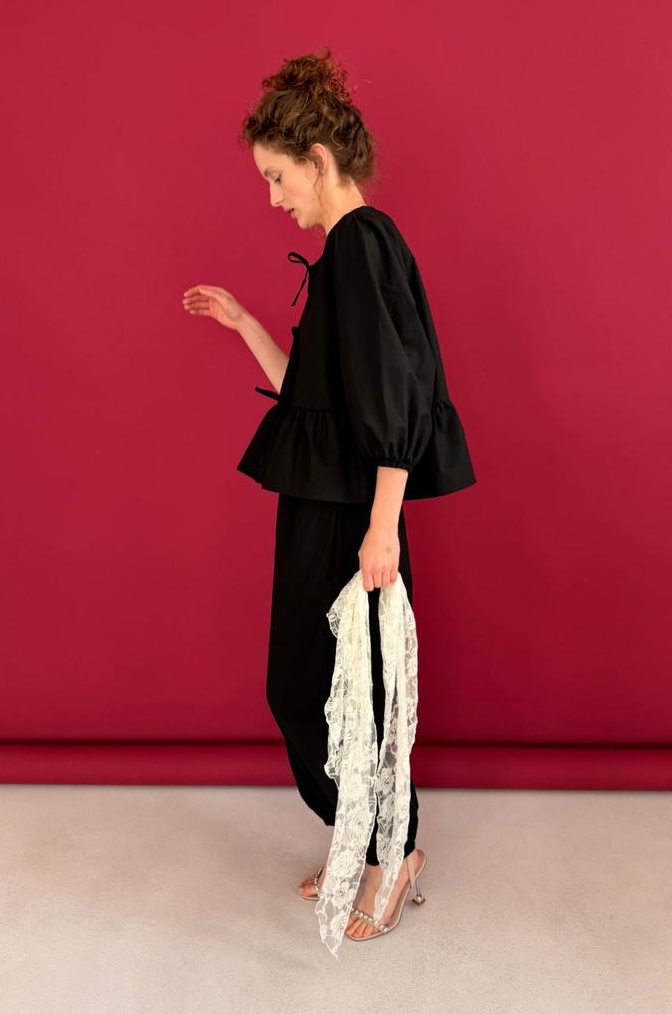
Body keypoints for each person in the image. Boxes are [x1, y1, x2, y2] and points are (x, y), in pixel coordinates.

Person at [182, 47, 476, 945]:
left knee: (350, 689)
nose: (274, 198)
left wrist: (382, 528)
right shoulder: (347, 254)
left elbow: (397, 394)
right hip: (324, 503)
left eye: (278, 177)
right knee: (310, 686)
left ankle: (394, 854)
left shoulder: (360, 243)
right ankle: (366, 840)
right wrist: (244, 324)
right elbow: (311, 400)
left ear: (318, 158)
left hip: (353, 516)